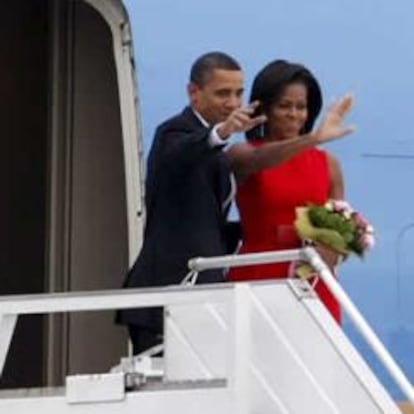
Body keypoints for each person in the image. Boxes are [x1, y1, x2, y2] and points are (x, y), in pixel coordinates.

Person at [116, 52, 265, 354]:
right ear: (193, 93)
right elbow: (184, 153)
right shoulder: (174, 133)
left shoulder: (214, 149)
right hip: (165, 296)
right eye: (223, 93)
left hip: (202, 296)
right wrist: (221, 133)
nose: (233, 103)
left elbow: (207, 224)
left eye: (239, 93)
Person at [227, 59, 355, 324]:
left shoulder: (328, 164)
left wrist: (332, 248)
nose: (294, 114)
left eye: (301, 107)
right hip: (260, 274)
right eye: (284, 106)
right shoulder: (244, 154)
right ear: (265, 108)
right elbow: (261, 159)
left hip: (313, 280)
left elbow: (341, 227)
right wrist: (313, 139)